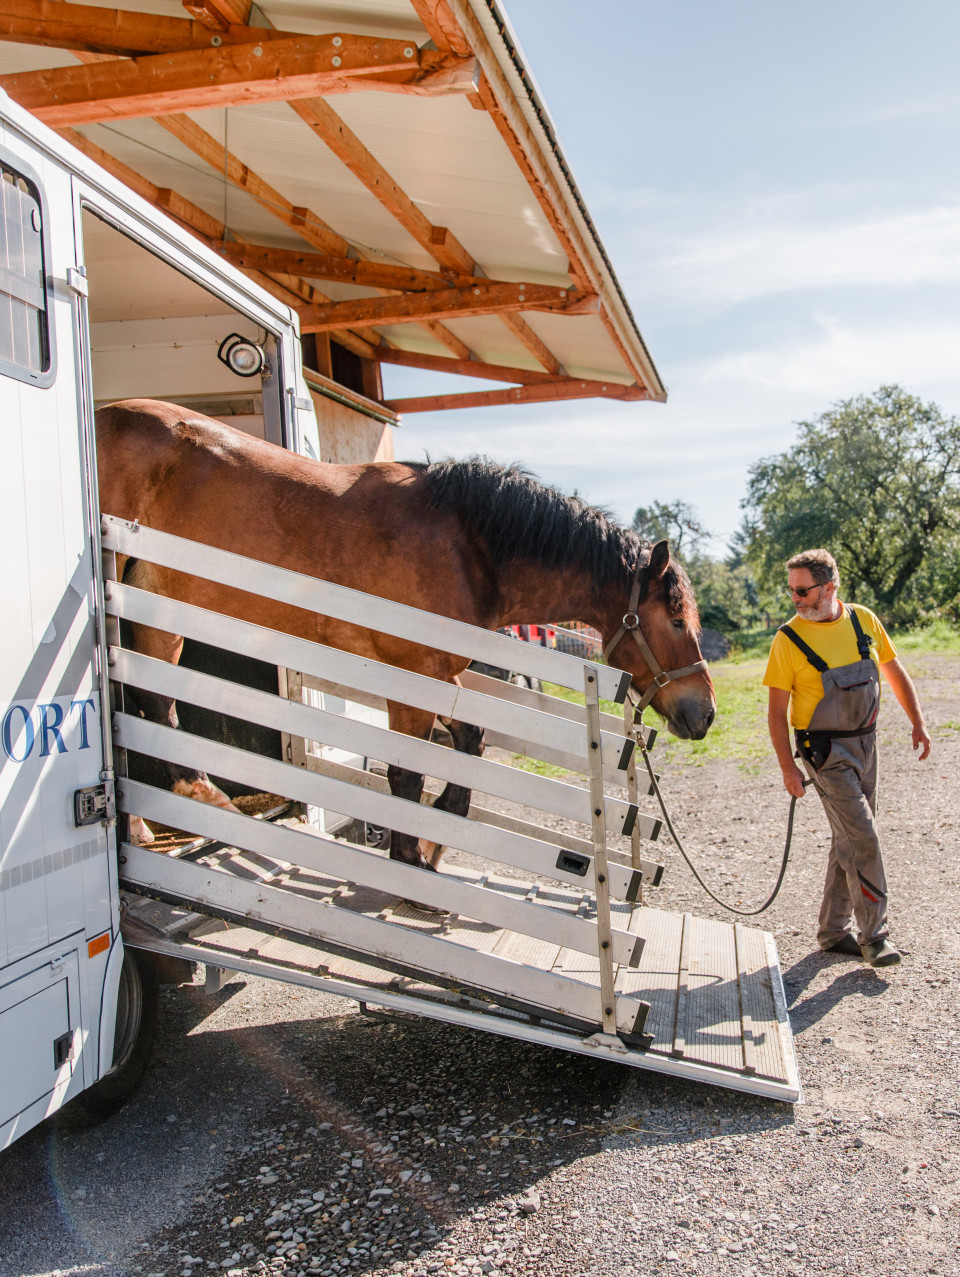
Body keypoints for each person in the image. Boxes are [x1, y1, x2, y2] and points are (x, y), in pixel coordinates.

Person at [763, 549, 931, 967]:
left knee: (849, 838)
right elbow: (775, 711)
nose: (796, 598)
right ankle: (874, 937)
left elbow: (892, 669)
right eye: (791, 591)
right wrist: (788, 766)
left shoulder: (862, 619)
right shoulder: (788, 639)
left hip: (866, 745)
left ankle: (833, 932)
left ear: (830, 587)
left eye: (803, 590)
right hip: (823, 753)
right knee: (864, 837)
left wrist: (918, 721)